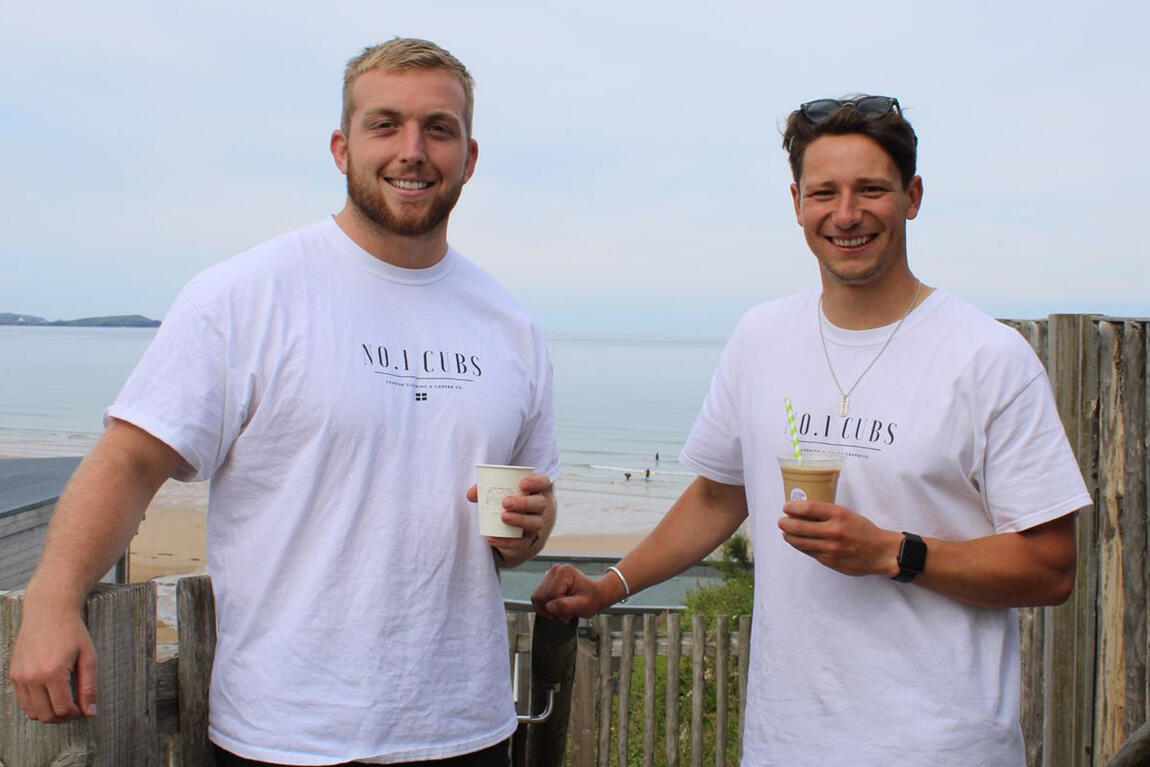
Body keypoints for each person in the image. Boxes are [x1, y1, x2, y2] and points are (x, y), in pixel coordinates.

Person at [11, 38, 559, 767]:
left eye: (439, 128)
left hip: (466, 725)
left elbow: (522, 517)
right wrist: (52, 601)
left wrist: (530, 531)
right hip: (286, 731)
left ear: (470, 156)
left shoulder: (512, 328)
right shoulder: (245, 296)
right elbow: (130, 461)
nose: (412, 150)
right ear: (341, 147)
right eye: (385, 124)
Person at [533, 94, 1089, 765]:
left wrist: (892, 552)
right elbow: (718, 494)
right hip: (785, 742)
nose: (846, 214)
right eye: (824, 191)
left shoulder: (986, 356)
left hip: (941, 745)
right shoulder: (760, 337)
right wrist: (609, 586)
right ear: (798, 201)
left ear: (912, 197)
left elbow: (1051, 566)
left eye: (871, 190)